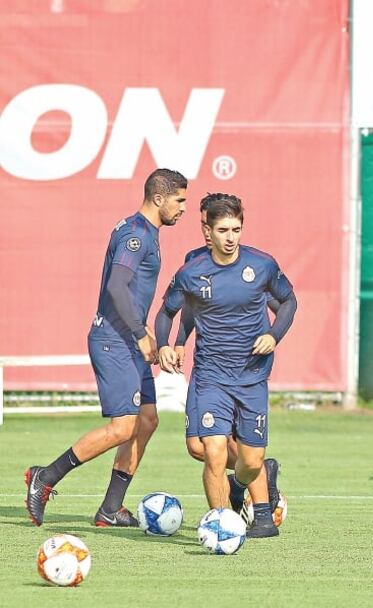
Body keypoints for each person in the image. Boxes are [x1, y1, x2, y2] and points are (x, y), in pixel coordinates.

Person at [25, 169, 188, 527]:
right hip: (114, 341)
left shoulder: (145, 231)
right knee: (122, 427)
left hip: (129, 340)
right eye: (180, 200)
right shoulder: (136, 234)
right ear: (158, 198)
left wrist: (146, 335)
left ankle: (110, 508)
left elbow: (129, 293)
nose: (183, 208)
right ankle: (46, 477)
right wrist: (140, 333)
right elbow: (117, 285)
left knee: (146, 421)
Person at [155, 194, 297, 538]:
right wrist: (166, 343)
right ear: (209, 231)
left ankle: (246, 485)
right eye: (223, 230)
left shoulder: (261, 265)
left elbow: (290, 301)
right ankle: (221, 525)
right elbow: (168, 312)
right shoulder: (191, 271)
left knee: (250, 462)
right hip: (211, 376)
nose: (230, 236)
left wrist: (274, 335)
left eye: (236, 229)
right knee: (212, 450)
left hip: (252, 375)